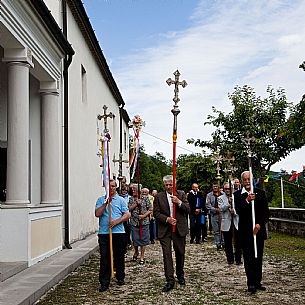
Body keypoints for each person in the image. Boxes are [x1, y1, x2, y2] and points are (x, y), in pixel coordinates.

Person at [234, 171, 269, 294]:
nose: (247, 182)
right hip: (245, 232)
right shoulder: (238, 195)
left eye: (249, 179)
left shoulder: (261, 193)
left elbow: (266, 213)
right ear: (242, 181)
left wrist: (259, 225)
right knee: (248, 258)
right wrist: (247, 200)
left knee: (258, 257)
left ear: (252, 180)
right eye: (245, 180)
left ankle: (258, 281)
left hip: (258, 231)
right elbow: (238, 210)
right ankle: (251, 284)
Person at [153, 175, 190, 292]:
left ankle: (180, 274)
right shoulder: (159, 197)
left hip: (179, 228)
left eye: (170, 184)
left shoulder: (181, 194)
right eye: (166, 185)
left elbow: (188, 209)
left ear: (174, 184)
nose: (168, 187)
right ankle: (169, 279)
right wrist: (167, 219)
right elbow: (156, 213)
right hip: (165, 229)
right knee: (167, 254)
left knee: (180, 252)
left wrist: (178, 202)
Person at [95, 179, 130, 292]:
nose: (112, 188)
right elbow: (97, 214)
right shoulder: (100, 200)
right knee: (105, 257)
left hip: (118, 232)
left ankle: (120, 277)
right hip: (104, 233)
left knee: (119, 256)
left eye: (114, 186)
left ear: (116, 187)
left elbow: (127, 214)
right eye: (109, 186)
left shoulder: (120, 200)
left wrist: (117, 221)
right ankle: (104, 282)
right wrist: (106, 203)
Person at [218, 182, 242, 265]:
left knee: (238, 242)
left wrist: (234, 211)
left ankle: (238, 259)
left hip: (235, 221)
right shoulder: (220, 198)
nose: (227, 190)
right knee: (228, 243)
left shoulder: (237, 196)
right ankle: (230, 259)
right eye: (226, 189)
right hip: (226, 222)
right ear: (224, 190)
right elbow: (221, 209)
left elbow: (240, 208)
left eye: (229, 189)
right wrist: (228, 203)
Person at [129, 184, 152, 264]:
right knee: (135, 239)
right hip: (134, 222)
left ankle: (142, 256)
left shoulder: (145, 198)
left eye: (134, 189)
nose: (133, 191)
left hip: (144, 222)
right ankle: (136, 251)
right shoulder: (131, 198)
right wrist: (136, 204)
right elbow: (129, 209)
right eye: (132, 189)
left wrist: (143, 216)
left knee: (143, 239)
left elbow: (150, 209)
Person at [206, 182, 224, 250]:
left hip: (222, 214)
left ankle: (223, 243)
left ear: (218, 187)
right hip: (214, 214)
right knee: (216, 231)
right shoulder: (209, 195)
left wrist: (221, 209)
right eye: (214, 186)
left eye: (216, 186)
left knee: (223, 229)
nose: (215, 188)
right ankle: (218, 244)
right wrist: (215, 209)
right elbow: (208, 205)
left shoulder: (222, 194)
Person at [119, 185, 132, 250]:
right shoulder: (118, 197)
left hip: (127, 215)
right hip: (120, 216)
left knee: (127, 230)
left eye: (125, 190)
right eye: (123, 190)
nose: (124, 192)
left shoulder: (129, 198)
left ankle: (128, 242)